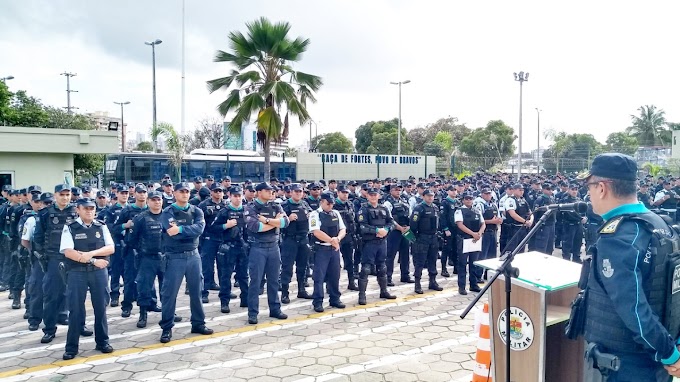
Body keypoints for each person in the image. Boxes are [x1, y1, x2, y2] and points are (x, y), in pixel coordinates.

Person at [581, 153, 680, 381]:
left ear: (602, 188)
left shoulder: (618, 236)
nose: (589, 194)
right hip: (658, 356)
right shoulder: (661, 223)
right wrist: (672, 347)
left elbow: (633, 307)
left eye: (590, 186)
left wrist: (670, 355)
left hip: (626, 363)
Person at [59, 197, 115, 360]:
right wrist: (93, 260)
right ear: (78, 210)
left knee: (101, 308)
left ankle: (102, 342)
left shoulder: (101, 226)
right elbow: (68, 252)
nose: (90, 211)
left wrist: (90, 254)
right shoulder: (70, 227)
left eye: (92, 208)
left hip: (99, 272)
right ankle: (71, 348)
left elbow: (111, 248)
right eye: (86, 208)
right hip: (77, 272)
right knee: (75, 310)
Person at [158, 182, 213, 343]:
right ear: (174, 193)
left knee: (197, 291)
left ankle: (198, 323)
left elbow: (199, 230)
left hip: (194, 256)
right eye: (181, 191)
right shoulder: (168, 212)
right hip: (174, 256)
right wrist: (188, 230)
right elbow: (171, 232)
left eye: (187, 191)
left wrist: (181, 229)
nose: (184, 194)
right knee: (170, 294)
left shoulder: (197, 211)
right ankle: (167, 327)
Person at [33, 184, 78, 344]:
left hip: (74, 259)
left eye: (67, 194)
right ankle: (49, 329)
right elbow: (37, 237)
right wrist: (43, 256)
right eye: (62, 194)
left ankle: (80, 325)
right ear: (55, 195)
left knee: (76, 295)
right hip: (54, 259)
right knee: (51, 295)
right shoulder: (45, 214)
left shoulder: (77, 211)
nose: (65, 197)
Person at [244, 182, 289, 325]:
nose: (271, 193)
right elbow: (255, 226)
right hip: (258, 247)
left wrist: (268, 220)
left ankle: (275, 308)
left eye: (272, 191)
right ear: (258, 192)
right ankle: (253, 313)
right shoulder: (250, 207)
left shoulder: (276, 205)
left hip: (274, 247)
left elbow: (285, 222)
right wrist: (275, 222)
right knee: (256, 282)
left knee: (274, 280)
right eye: (267, 190)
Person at [128, 191, 166, 328]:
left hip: (165, 257)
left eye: (159, 199)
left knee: (167, 288)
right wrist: (142, 250)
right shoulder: (141, 218)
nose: (157, 202)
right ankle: (143, 315)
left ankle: (168, 313)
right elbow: (132, 239)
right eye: (154, 200)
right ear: (148, 202)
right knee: (144, 288)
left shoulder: (168, 216)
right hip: (147, 258)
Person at [356, 188, 396, 305]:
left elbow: (392, 222)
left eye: (375, 195)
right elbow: (362, 227)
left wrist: (386, 230)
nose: (373, 197)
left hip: (382, 242)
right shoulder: (363, 209)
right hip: (369, 243)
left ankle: (383, 291)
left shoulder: (384, 208)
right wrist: (377, 230)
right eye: (371, 195)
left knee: (382, 267)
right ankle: (362, 295)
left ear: (378, 196)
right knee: (366, 269)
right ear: (367, 196)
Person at [212, 186, 249, 313]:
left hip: (243, 247)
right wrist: (225, 226)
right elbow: (212, 228)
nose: (238, 198)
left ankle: (245, 299)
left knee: (243, 275)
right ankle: (225, 302)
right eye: (235, 196)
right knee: (225, 276)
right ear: (230, 196)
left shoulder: (247, 210)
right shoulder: (224, 211)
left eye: (239, 195)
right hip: (228, 248)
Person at [308, 192, 346, 312]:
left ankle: (335, 299)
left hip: (334, 248)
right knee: (319, 277)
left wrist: (337, 239)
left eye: (332, 204)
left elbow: (343, 229)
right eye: (328, 203)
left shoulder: (336, 213)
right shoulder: (315, 214)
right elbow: (316, 231)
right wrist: (331, 240)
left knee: (335, 275)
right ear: (321, 202)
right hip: (321, 249)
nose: (330, 206)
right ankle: (318, 301)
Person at [280, 183, 313, 304]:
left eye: (300, 191)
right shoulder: (284, 205)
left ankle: (301, 290)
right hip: (290, 239)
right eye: (296, 191)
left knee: (303, 266)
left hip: (303, 239)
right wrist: (288, 218)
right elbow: (279, 222)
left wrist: (310, 216)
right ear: (291, 192)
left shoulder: (304, 203)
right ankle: (285, 293)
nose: (298, 193)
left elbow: (312, 216)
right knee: (287, 267)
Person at [409, 189, 443, 294]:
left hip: (433, 238)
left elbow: (438, 222)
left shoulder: (435, 207)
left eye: (432, 196)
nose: (430, 198)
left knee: (433, 260)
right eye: (428, 196)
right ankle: (417, 284)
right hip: (422, 238)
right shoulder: (419, 208)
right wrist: (415, 238)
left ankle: (432, 282)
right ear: (423, 196)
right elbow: (413, 224)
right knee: (420, 262)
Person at [198, 185, 227, 302]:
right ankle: (204, 292)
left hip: (222, 239)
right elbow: (199, 221)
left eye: (220, 191)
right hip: (209, 239)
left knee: (223, 268)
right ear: (211, 192)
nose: (219, 193)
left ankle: (224, 292)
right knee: (207, 267)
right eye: (216, 191)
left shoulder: (226, 205)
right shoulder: (203, 205)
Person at [455, 193, 485, 295]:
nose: (469, 200)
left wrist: (479, 233)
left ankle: (473, 284)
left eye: (470, 199)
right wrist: (473, 234)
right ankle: (462, 286)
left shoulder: (477, 210)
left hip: (475, 239)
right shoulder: (459, 210)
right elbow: (460, 224)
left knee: (474, 263)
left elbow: (483, 223)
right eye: (466, 199)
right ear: (463, 200)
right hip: (465, 239)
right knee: (462, 264)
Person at [383, 184, 412, 286]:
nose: (398, 191)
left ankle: (405, 275)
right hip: (394, 231)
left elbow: (410, 215)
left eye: (400, 190)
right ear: (391, 191)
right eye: (396, 190)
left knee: (405, 254)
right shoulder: (387, 203)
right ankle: (388, 278)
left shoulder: (404, 201)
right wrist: (400, 228)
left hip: (406, 230)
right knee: (390, 255)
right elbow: (389, 218)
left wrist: (408, 227)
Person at [334, 184, 358, 290]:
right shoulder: (333, 204)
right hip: (335, 237)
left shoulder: (350, 204)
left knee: (349, 261)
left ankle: (351, 282)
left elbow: (354, 220)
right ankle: (332, 286)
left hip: (348, 236)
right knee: (334, 263)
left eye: (347, 193)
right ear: (338, 193)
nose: (345, 194)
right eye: (343, 192)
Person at [529, 183, 556, 255]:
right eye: (548, 189)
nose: (550, 191)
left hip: (551, 224)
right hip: (543, 226)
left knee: (550, 246)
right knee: (541, 246)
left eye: (551, 189)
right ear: (543, 190)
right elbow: (535, 213)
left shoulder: (552, 198)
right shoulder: (540, 199)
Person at [440, 185, 460, 276]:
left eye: (455, 190)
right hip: (449, 229)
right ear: (448, 191)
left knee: (456, 249)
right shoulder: (445, 202)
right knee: (446, 249)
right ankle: (444, 269)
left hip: (457, 229)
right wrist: (445, 229)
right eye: (452, 190)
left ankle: (456, 268)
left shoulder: (457, 202)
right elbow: (442, 217)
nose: (454, 192)